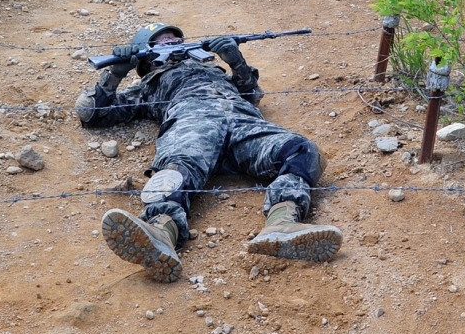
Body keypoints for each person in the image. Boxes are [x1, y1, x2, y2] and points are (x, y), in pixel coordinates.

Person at [75, 23, 344, 282]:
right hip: (193, 124)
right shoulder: (148, 86)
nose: (174, 42)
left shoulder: (213, 70)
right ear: (146, 56)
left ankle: (282, 222)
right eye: (163, 40)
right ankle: (161, 232)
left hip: (244, 124)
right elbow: (91, 113)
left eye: (175, 38)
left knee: (301, 149)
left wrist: (235, 60)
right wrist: (116, 72)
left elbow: (251, 94)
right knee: (176, 168)